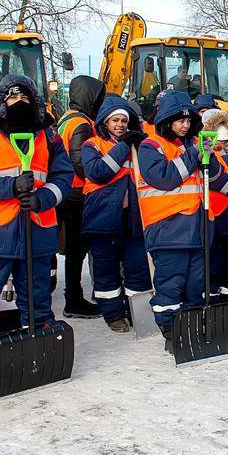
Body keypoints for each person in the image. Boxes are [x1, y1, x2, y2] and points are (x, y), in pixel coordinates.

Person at [0, 74, 73, 394]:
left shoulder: (49, 136)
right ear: (1, 101)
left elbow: (64, 178)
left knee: (38, 301)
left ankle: (40, 354)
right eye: (12, 98)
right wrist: (10, 187)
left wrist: (42, 197)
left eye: (24, 99)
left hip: (37, 230)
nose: (18, 103)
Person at [135, 91, 208, 353]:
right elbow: (163, 177)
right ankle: (170, 330)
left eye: (188, 121)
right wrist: (194, 157)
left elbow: (216, 178)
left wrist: (209, 158)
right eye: (179, 120)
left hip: (195, 229)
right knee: (170, 284)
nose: (185, 125)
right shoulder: (151, 146)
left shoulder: (193, 146)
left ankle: (191, 328)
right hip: (166, 229)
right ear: (167, 120)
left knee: (194, 285)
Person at [80, 95, 151, 333]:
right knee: (106, 269)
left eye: (124, 120)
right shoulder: (92, 145)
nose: (120, 124)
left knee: (137, 267)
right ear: (105, 123)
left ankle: (136, 311)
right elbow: (99, 172)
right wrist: (123, 146)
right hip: (103, 217)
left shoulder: (137, 146)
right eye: (115, 120)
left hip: (133, 217)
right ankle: (113, 314)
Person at [55, 75, 106, 319]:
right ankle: (73, 300)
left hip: (66, 191)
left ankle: (73, 298)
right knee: (78, 249)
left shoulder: (67, 119)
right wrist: (101, 177)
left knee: (74, 248)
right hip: (78, 192)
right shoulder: (82, 124)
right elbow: (81, 162)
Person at [202, 108, 228, 300]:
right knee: (215, 267)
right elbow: (221, 181)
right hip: (216, 219)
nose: (222, 142)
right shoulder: (206, 155)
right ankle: (213, 302)